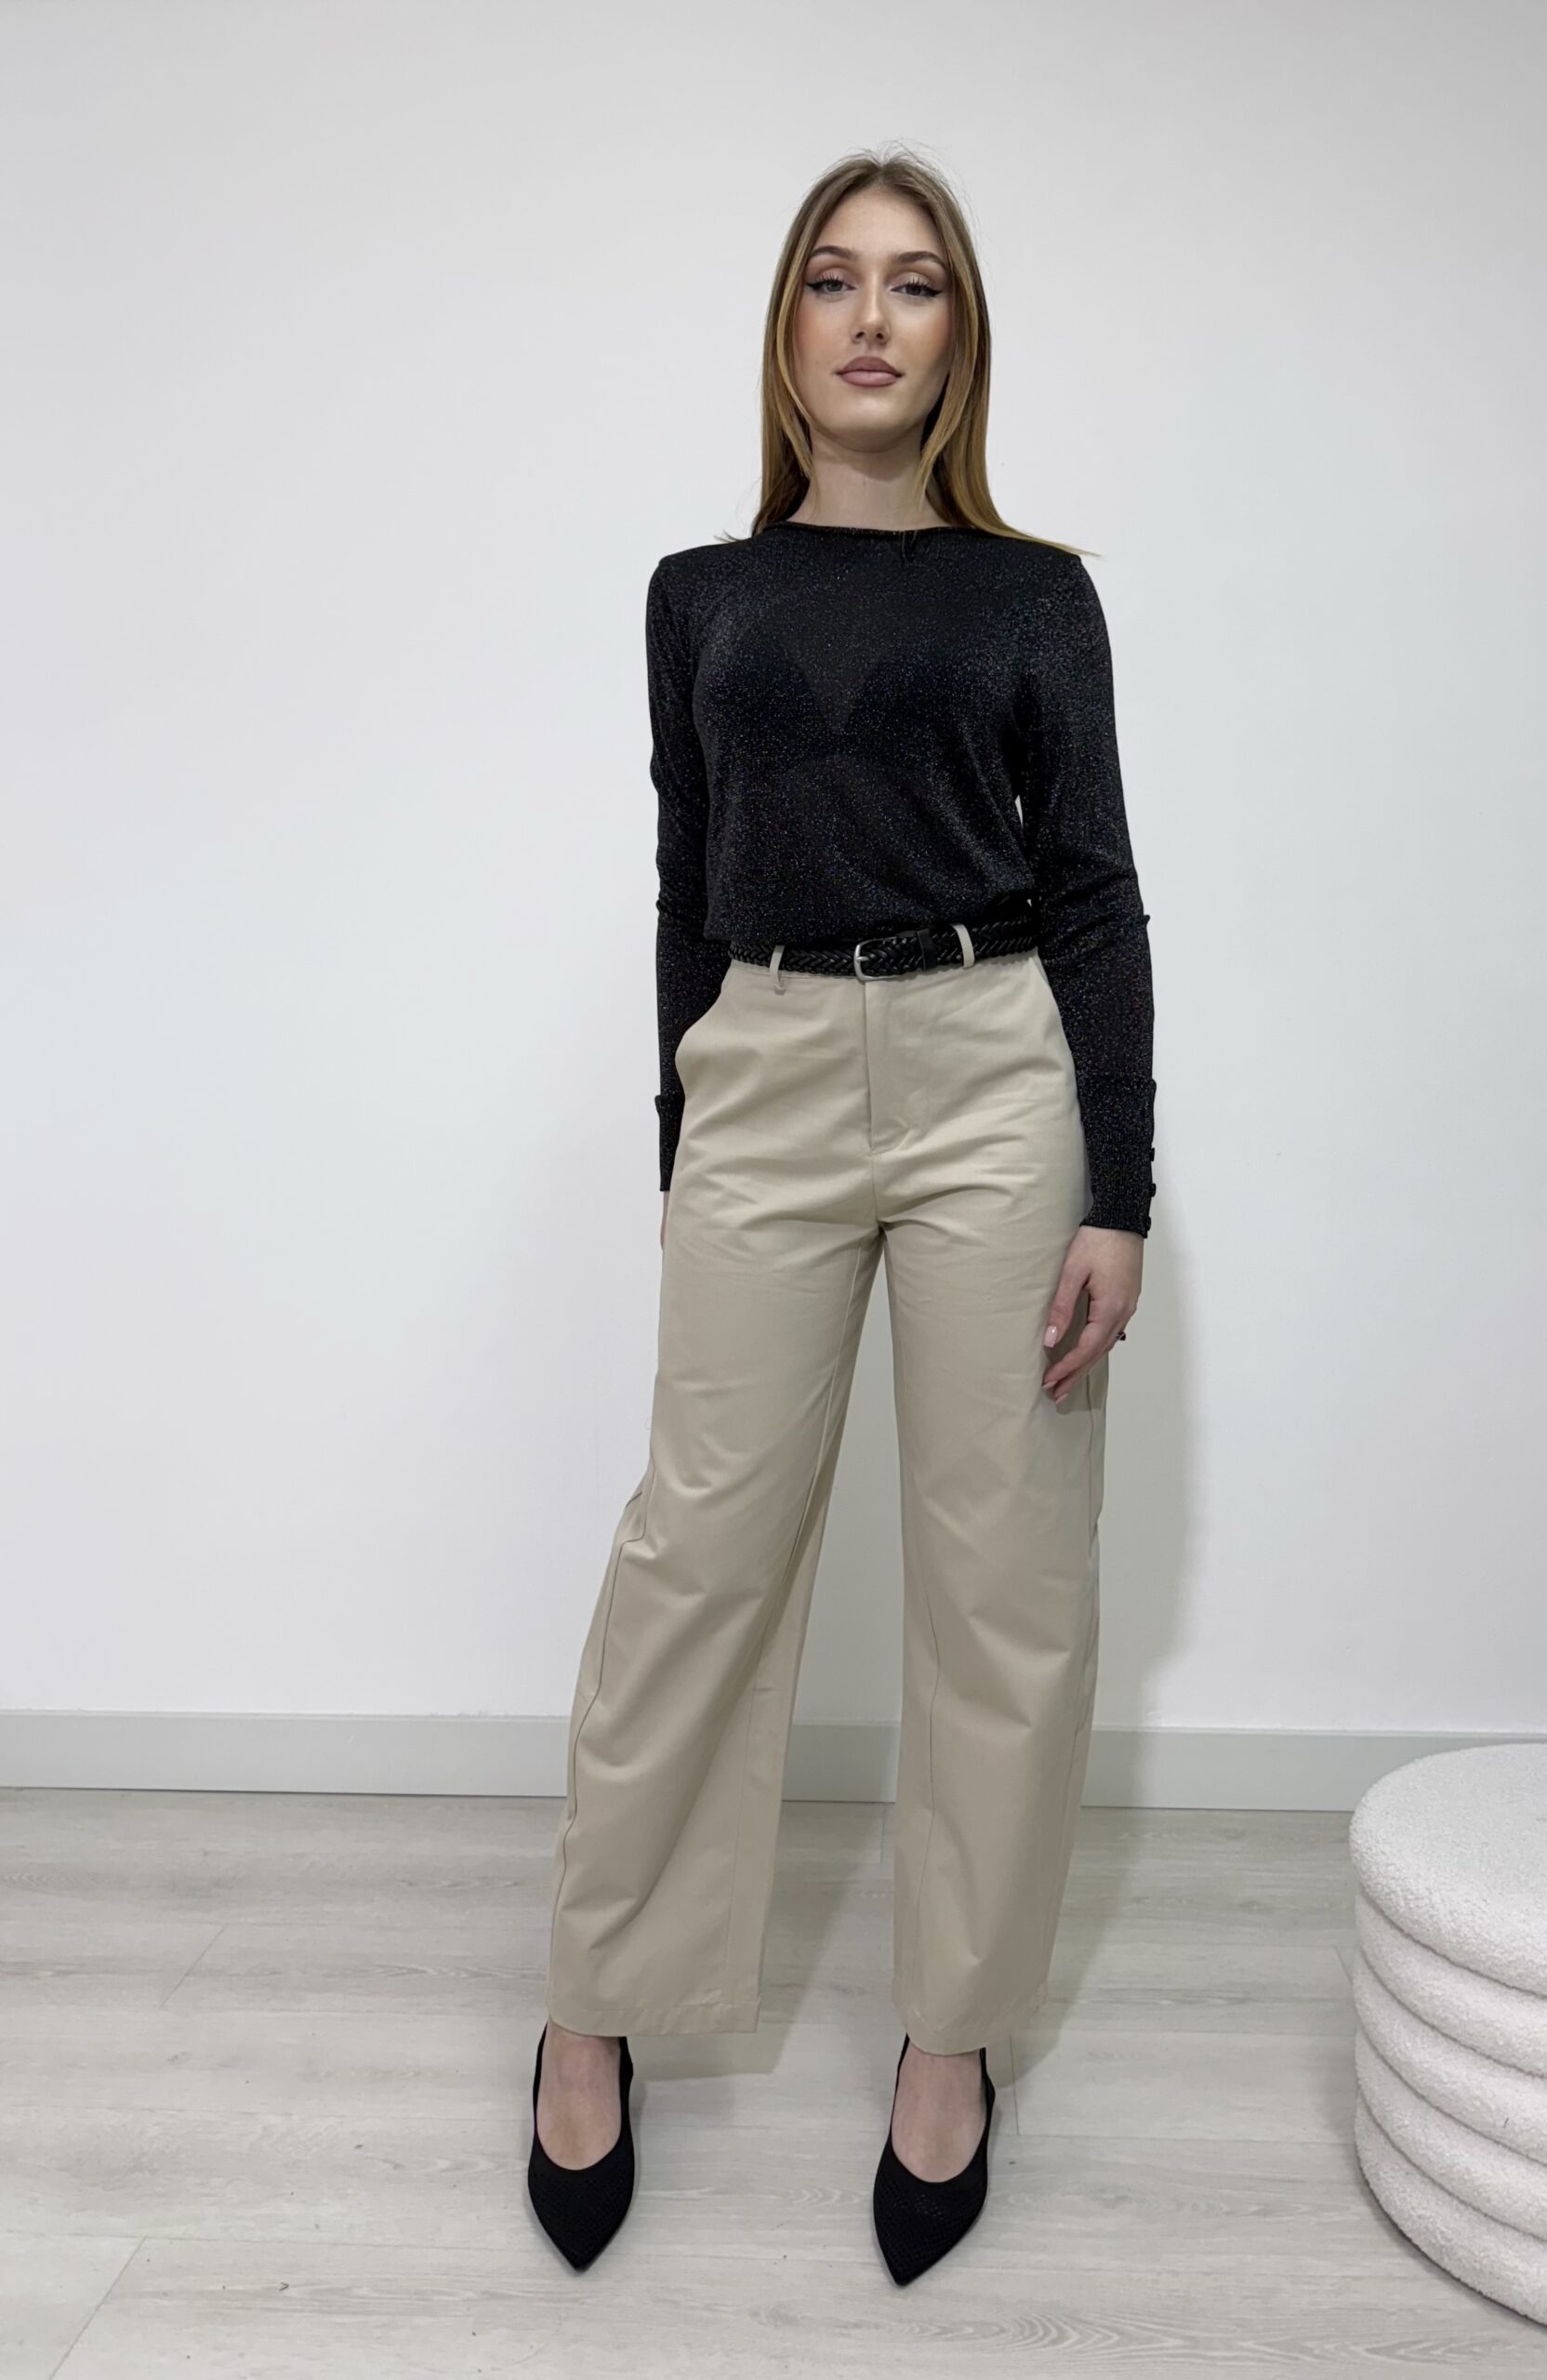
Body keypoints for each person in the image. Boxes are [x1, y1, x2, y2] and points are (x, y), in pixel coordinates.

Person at [526, 144, 1157, 2286]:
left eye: (914, 284)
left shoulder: (1031, 595)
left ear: (958, 337)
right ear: (785, 329)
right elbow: (681, 876)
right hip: (767, 1065)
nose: (871, 317)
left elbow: (1093, 886)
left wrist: (1118, 1185)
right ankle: (592, 1997)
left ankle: (948, 2036)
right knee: (694, 1546)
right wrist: (680, 1126)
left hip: (993, 1073)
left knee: (1006, 1576)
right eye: (832, 279)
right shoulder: (696, 592)